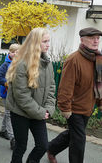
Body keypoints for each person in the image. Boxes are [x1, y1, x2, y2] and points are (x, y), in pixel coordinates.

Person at [47, 27, 102, 163]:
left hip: (88, 107)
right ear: (82, 40)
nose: (96, 41)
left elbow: (99, 84)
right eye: (92, 38)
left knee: (73, 134)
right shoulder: (74, 59)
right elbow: (65, 86)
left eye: (98, 38)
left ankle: (51, 148)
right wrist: (65, 108)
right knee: (79, 140)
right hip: (74, 108)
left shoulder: (98, 58)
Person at [5, 27, 56, 163]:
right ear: (34, 43)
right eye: (44, 41)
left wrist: (48, 109)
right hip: (20, 112)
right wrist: (41, 112)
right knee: (20, 146)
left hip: (38, 112)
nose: (48, 44)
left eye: (48, 41)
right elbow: (22, 95)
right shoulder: (22, 64)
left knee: (43, 146)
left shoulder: (47, 63)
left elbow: (51, 88)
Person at [0, 43, 20, 150]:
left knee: (7, 112)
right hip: (6, 93)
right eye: (12, 52)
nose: (14, 54)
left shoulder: (21, 64)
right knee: (9, 113)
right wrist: (6, 83)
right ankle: (13, 138)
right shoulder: (5, 64)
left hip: (15, 94)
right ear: (9, 52)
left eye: (17, 52)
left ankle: (3, 131)